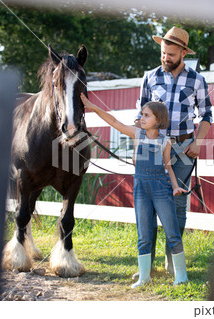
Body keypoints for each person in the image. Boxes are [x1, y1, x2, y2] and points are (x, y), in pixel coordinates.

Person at [80, 93, 189, 287]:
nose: (141, 118)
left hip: (161, 189)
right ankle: (144, 276)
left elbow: (168, 167)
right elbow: (113, 121)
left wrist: (175, 186)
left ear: (158, 120)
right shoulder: (137, 134)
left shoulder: (166, 141)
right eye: (142, 114)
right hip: (140, 188)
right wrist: (92, 106)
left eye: (146, 115)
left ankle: (181, 275)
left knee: (172, 232)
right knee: (143, 233)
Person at [134, 26, 213, 275]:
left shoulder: (197, 80)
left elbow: (207, 114)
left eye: (170, 54)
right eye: (163, 53)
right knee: (148, 202)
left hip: (183, 148)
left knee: (177, 205)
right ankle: (147, 266)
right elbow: (140, 115)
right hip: (152, 146)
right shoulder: (150, 77)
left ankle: (172, 263)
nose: (165, 58)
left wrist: (198, 142)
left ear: (183, 53)